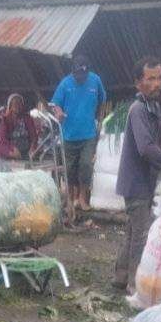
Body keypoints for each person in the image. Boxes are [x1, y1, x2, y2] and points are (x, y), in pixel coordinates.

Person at [113, 57, 161, 295]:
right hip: (136, 182)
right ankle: (134, 285)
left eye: (160, 78)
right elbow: (146, 148)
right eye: (150, 78)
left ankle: (120, 276)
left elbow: (156, 144)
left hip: (143, 180)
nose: (157, 83)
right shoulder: (138, 110)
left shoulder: (153, 107)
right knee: (141, 234)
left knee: (133, 230)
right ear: (138, 83)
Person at [51, 55, 107, 210]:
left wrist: (100, 122)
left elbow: (103, 100)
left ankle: (82, 198)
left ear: (87, 72)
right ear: (73, 72)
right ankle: (70, 198)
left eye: (83, 75)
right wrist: (59, 113)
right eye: (77, 75)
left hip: (88, 133)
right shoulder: (65, 84)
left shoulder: (95, 81)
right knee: (69, 169)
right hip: (69, 134)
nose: (80, 78)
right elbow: (56, 104)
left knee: (86, 165)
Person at [0, 94, 38, 160]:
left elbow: (34, 137)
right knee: (0, 147)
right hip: (11, 149)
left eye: (19, 103)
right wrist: (12, 149)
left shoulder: (28, 118)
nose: (17, 106)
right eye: (15, 103)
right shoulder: (6, 119)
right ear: (10, 106)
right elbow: (3, 139)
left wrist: (32, 147)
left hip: (26, 150)